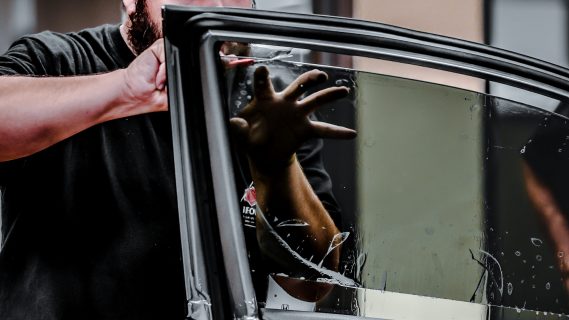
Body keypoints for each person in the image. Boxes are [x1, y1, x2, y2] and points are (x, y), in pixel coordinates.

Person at [0, 0, 355, 319]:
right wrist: (126, 90)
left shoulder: (273, 100)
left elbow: (311, 284)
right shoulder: (59, 60)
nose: (214, 6)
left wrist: (277, 168)